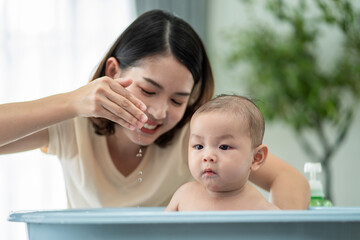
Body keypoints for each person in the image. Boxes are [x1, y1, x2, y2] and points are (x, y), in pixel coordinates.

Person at [0, 10, 309, 209]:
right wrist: (71, 102)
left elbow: (289, 180)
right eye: (148, 90)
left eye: (178, 100)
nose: (159, 112)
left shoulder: (198, 139)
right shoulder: (72, 124)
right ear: (113, 71)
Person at [166, 95, 279, 211]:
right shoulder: (184, 195)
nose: (208, 156)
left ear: (256, 158)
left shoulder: (261, 209)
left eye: (224, 147)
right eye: (199, 146)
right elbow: (160, 229)